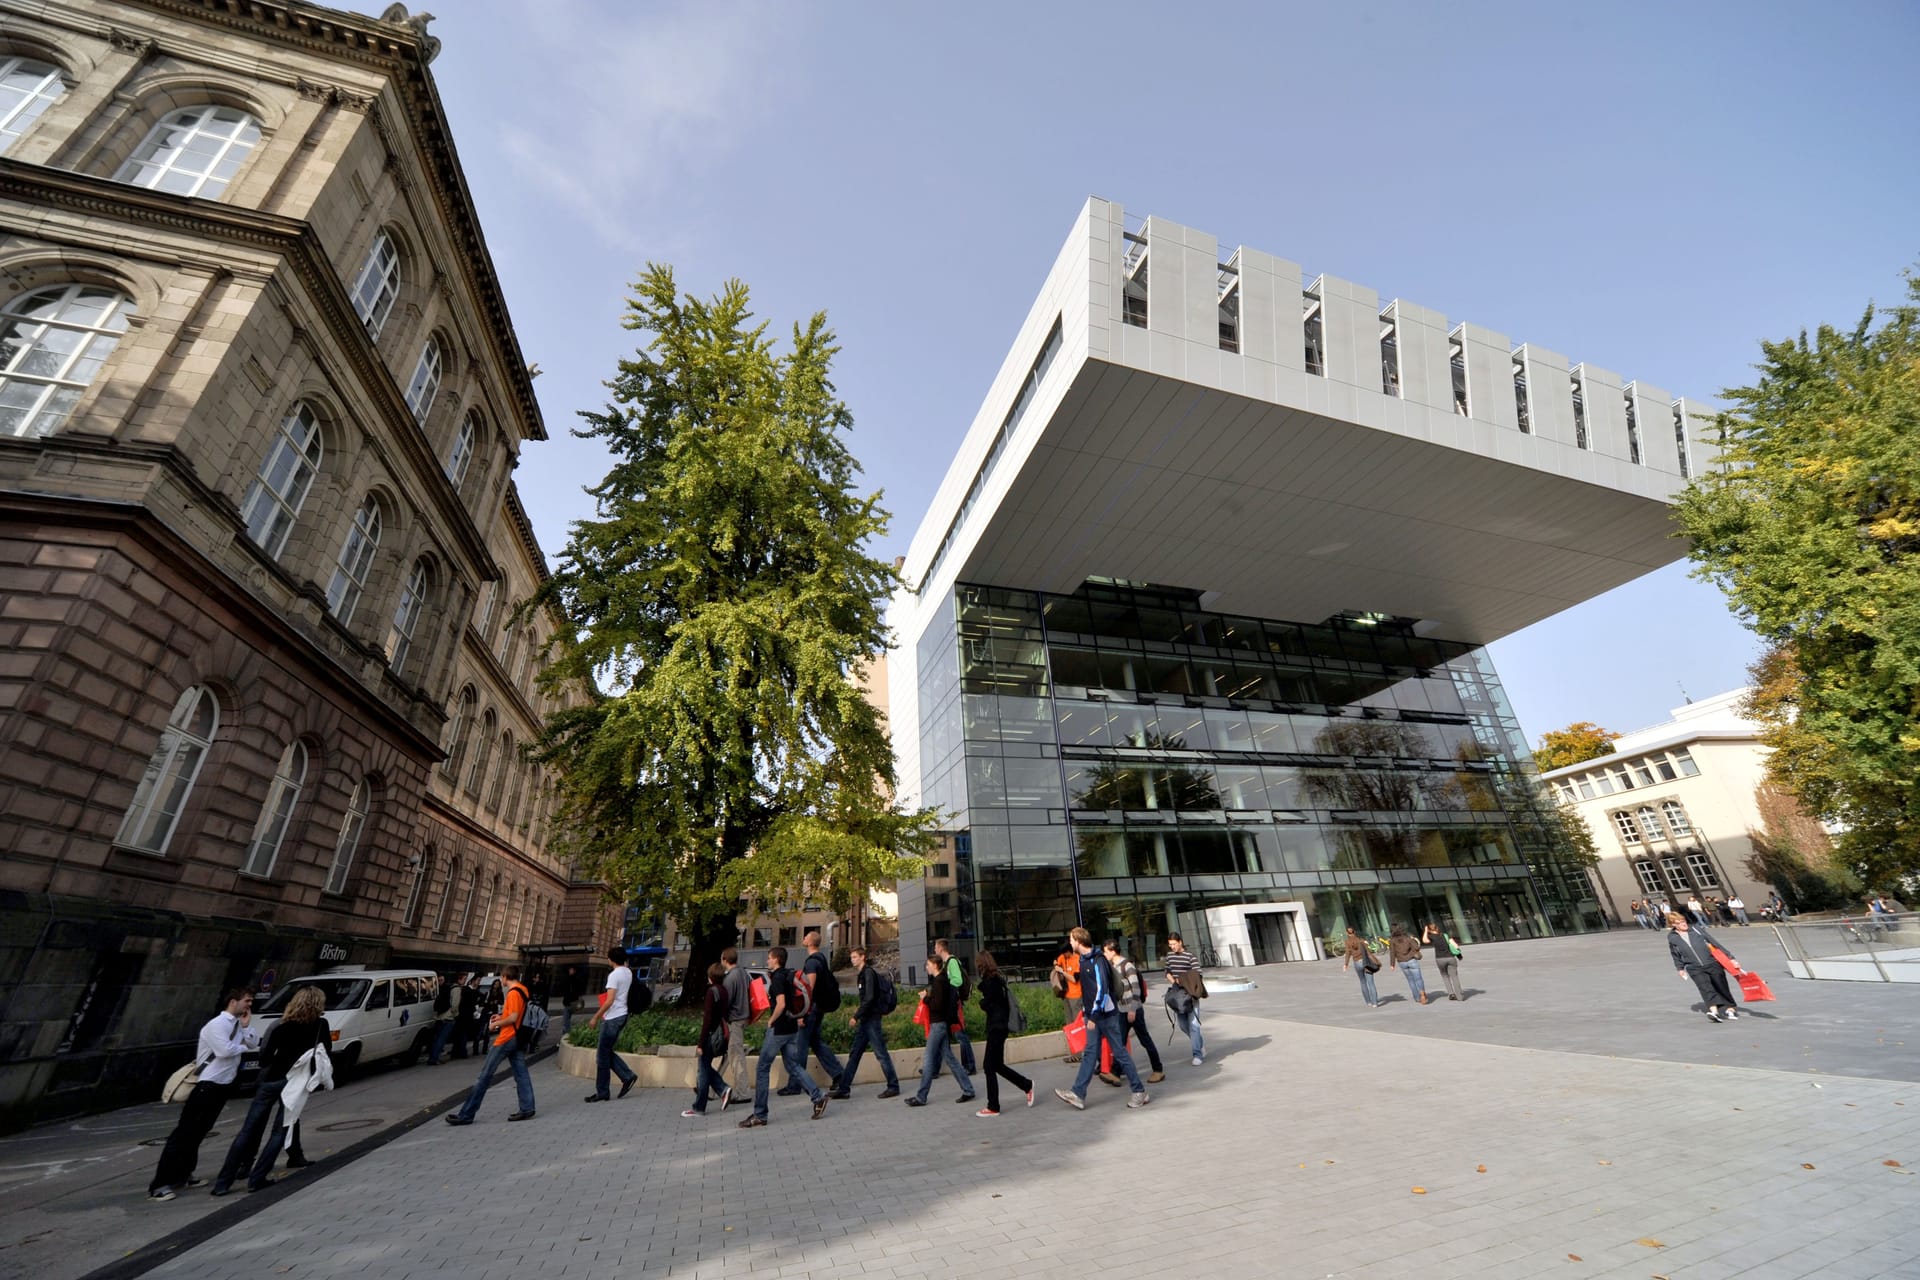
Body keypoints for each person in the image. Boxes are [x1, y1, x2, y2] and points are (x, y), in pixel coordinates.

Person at [210, 986, 330, 1195]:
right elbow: (325, 1051)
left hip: (271, 1080)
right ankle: (257, 1179)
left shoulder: (281, 1025)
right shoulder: (321, 1025)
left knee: (247, 1131)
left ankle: (223, 1183)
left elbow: (265, 1058)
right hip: (295, 1083)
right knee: (280, 1131)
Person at [149, 988, 259, 1201]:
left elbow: (254, 1041)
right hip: (207, 1085)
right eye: (247, 1001)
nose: (249, 1006)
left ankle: (184, 1174)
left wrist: (245, 1027)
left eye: (251, 1002)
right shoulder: (216, 1025)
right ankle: (159, 1184)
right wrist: (242, 1047)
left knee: (199, 1133)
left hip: (222, 1085)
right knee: (183, 1133)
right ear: (233, 1001)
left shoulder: (236, 1024)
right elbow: (224, 1051)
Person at [1054, 927, 1147, 1110]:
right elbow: (1088, 989)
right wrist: (1087, 1011)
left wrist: (1093, 1016)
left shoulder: (1098, 961)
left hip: (1104, 1016)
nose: (1070, 943)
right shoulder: (1084, 960)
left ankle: (1139, 1091)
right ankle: (1078, 1094)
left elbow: (1102, 990)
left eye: (1072, 940)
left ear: (1079, 941)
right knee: (1090, 1053)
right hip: (1094, 1016)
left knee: (1119, 1052)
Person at [739, 946, 827, 1127]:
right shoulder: (788, 974)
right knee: (793, 1066)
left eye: (770, 958)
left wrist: (771, 1020)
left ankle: (760, 1114)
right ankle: (818, 1097)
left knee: (763, 1068)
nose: (768, 961)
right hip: (792, 1027)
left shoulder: (778, 977)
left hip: (778, 1029)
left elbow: (781, 1003)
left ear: (777, 959)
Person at [445, 965, 536, 1125]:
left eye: (502, 977)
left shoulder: (514, 993)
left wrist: (497, 1024)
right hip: (517, 1037)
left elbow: (514, 1017)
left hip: (507, 1038)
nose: (501, 980)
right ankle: (527, 1107)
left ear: (506, 977)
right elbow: (516, 1013)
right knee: (521, 1074)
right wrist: (501, 1015)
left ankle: (466, 1114)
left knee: (484, 1076)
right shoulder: (523, 990)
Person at [780, 929, 845, 1097]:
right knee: (815, 1042)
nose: (803, 938)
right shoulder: (822, 959)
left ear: (810, 942)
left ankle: (795, 1084)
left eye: (806, 936)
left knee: (800, 1046)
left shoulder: (811, 963)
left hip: (811, 1009)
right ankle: (839, 1074)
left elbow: (809, 989)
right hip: (820, 1007)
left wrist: (801, 1013)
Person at [830, 946, 900, 1099]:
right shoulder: (862, 974)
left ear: (863, 957)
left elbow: (869, 998)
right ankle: (844, 1088)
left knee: (881, 1053)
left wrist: (856, 1016)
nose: (852, 959)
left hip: (871, 1019)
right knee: (855, 1054)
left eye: (855, 957)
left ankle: (893, 1086)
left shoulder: (868, 973)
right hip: (866, 1020)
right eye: (852, 957)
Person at [907, 955, 975, 1107]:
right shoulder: (942, 981)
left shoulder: (938, 982)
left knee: (929, 1059)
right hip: (942, 1024)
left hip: (938, 1025)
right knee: (950, 1059)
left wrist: (925, 998)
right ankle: (968, 1089)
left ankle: (921, 1097)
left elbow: (937, 1005)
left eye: (928, 965)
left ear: (935, 965)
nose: (926, 967)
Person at [972, 951, 1031, 1117]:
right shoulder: (998, 980)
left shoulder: (990, 984)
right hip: (1001, 1027)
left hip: (996, 1027)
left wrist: (982, 1003)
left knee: (988, 1066)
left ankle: (993, 1106)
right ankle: (1026, 1085)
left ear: (981, 964)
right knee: (997, 1065)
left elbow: (991, 1005)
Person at [1101, 938, 1164, 1085]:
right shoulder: (1113, 966)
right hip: (1121, 1011)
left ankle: (1158, 1070)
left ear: (1112, 951)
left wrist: (1133, 1009)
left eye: (1105, 952)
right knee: (1120, 1042)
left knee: (1145, 1040)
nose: (1104, 954)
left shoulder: (1127, 966)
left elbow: (1136, 989)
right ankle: (1115, 1073)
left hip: (1133, 1010)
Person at [584, 946, 638, 1103]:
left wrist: (596, 1017)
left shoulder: (614, 975)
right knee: (606, 1051)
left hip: (613, 1017)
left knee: (602, 1056)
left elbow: (610, 1000)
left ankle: (603, 1091)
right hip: (623, 1014)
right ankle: (626, 1076)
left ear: (611, 959)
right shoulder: (627, 972)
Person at [1667, 911, 1739, 1023]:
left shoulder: (1696, 929)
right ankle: (1714, 1012)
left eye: (1684, 921)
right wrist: (1680, 968)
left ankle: (1730, 1009)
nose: (1683, 924)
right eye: (1679, 922)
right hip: (1694, 967)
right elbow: (1675, 954)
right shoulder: (1672, 937)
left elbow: (1714, 942)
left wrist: (1731, 957)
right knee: (1705, 988)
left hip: (1712, 963)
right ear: (1673, 924)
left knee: (1721, 986)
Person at [682, 962, 730, 1118]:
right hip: (720, 1034)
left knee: (703, 1070)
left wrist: (701, 1042)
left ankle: (699, 1107)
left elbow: (707, 1019)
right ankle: (723, 1089)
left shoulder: (711, 992)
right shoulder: (724, 991)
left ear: (711, 977)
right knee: (705, 1067)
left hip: (710, 1035)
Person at [932, 938, 977, 1077]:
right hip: (950, 1005)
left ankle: (969, 1066)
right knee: (943, 1037)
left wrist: (947, 988)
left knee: (960, 1035)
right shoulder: (946, 964)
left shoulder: (951, 962)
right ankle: (933, 1069)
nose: (934, 950)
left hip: (954, 1005)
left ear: (940, 948)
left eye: (935, 947)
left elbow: (957, 980)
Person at [1162, 933, 1205, 1065]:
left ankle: (1197, 1054)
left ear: (1180, 942)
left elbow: (1198, 974)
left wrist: (1183, 981)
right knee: (1183, 1025)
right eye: (1170, 945)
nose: (1172, 947)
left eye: (1174, 944)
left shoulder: (1190, 956)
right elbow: (1167, 971)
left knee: (1194, 1025)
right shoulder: (1170, 956)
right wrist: (1173, 981)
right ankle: (1199, 1043)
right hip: (1177, 995)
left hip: (1191, 994)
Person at [718, 947, 750, 1107]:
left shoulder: (730, 978)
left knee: (736, 1057)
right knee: (731, 1055)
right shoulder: (743, 973)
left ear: (725, 959)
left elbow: (726, 1001)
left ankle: (743, 1093)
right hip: (743, 1017)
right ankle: (713, 1088)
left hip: (734, 1020)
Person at [1050, 944, 1083, 1062]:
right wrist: (1056, 965)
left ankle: (1080, 1054)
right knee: (1069, 1025)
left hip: (1076, 996)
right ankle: (1074, 1054)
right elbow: (1056, 961)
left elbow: (1075, 979)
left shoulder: (1078, 959)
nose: (1064, 956)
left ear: (1070, 951)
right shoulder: (1062, 957)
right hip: (1066, 995)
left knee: (1077, 1025)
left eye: (1066, 954)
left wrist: (1062, 972)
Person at [1423, 921, 1464, 1001]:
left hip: (1440, 959)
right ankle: (1460, 996)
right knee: (1454, 977)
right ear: (1437, 928)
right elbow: (1455, 945)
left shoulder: (1431, 937)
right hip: (1450, 958)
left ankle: (1451, 994)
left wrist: (1425, 931)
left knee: (1445, 976)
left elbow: (1425, 940)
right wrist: (1459, 954)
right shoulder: (1445, 935)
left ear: (1429, 930)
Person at [1388, 922, 1427, 1004]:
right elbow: (1416, 947)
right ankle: (1422, 993)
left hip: (1402, 962)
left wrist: (1392, 964)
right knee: (1418, 978)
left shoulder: (1392, 941)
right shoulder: (1408, 938)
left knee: (1410, 981)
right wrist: (1414, 940)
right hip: (1412, 960)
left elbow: (1392, 953)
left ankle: (1417, 998)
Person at [427, 972, 461, 1065]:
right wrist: (454, 1014)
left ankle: (432, 1057)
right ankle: (434, 1059)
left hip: (439, 1016)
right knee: (441, 1039)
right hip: (448, 1017)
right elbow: (455, 1005)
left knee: (437, 1038)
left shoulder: (444, 987)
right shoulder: (456, 988)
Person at [1342, 926, 1379, 1008]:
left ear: (1347, 933)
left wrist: (1346, 964)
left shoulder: (1347, 942)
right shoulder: (1361, 940)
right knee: (1371, 983)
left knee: (1363, 982)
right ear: (1354, 932)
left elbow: (1348, 953)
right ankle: (1375, 1003)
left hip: (1357, 963)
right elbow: (1368, 951)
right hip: (1366, 962)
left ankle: (1368, 1002)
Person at [455, 971, 483, 1059]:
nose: (478, 982)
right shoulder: (467, 990)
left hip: (469, 1016)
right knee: (462, 1034)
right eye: (478, 980)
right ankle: (461, 1052)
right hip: (463, 1016)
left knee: (464, 1034)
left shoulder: (474, 991)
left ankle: (459, 1051)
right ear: (472, 981)